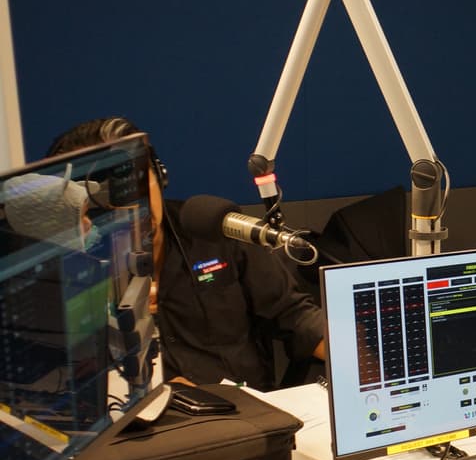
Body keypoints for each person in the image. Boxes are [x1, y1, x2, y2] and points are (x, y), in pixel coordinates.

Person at [48, 117, 326, 391]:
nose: (128, 207)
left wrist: (347, 350)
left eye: (135, 182)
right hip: (135, 414)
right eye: (103, 195)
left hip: (246, 409)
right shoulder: (65, 272)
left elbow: (294, 316)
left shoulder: (212, 229)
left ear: (159, 176)